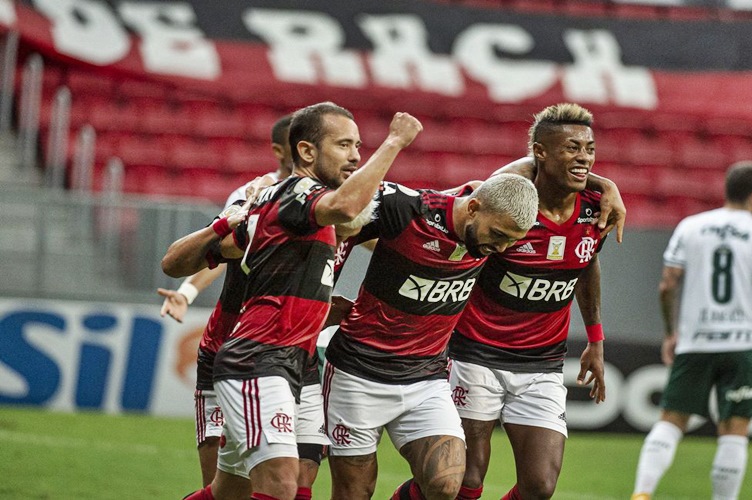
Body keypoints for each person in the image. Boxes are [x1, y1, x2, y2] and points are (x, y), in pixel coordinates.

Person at [166, 102, 422, 500]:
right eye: (344, 145)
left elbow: (355, 221)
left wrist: (320, 306)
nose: (355, 155)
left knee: (251, 489)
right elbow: (178, 261)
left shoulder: (321, 211)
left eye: (358, 145)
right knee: (280, 485)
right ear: (305, 152)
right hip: (256, 357)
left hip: (298, 364)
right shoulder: (296, 194)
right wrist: (393, 142)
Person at [322, 173, 539, 500]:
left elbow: (537, 164)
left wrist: (604, 186)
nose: (501, 247)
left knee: (445, 483)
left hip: (426, 378)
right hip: (356, 374)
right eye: (497, 234)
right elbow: (339, 219)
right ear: (474, 208)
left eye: (511, 240)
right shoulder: (407, 210)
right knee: (354, 492)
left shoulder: (483, 226)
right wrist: (317, 297)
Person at [446, 103, 610, 500]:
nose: (584, 157)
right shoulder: (509, 207)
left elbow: (586, 265)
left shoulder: (595, 210)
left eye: (588, 148)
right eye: (572, 148)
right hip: (476, 353)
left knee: (540, 487)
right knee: (465, 479)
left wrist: (595, 338)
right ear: (540, 153)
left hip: (542, 362)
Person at [631, 161, 752, 500]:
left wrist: (671, 331)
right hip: (744, 343)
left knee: (671, 421)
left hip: (696, 341)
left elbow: (667, 285)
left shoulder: (691, 226)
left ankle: (642, 493)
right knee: (734, 430)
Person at [157, 114, 295, 489]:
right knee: (224, 486)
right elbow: (219, 253)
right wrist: (187, 292)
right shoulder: (252, 195)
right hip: (232, 344)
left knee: (290, 481)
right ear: (285, 149)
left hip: (291, 352)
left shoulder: (335, 204)